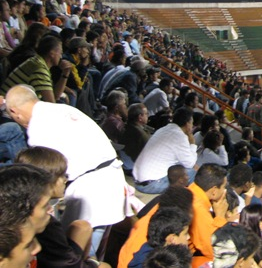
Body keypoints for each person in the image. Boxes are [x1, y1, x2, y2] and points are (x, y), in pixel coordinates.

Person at [5, 85, 128, 255]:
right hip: (108, 180)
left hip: (92, 190)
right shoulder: (62, 109)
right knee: (92, 249)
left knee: (79, 253)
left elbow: (46, 176)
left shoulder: (38, 127)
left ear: (14, 111)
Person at [14, 146, 110, 268]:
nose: (65, 179)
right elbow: (65, 261)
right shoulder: (45, 222)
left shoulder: (22, 207)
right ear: (47, 180)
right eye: (61, 175)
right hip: (59, 262)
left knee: (82, 227)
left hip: (59, 257)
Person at [133, 107, 198, 194]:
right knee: (192, 173)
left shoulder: (163, 129)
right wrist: (193, 144)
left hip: (137, 180)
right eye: (192, 123)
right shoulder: (180, 136)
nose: (192, 127)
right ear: (187, 124)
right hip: (151, 185)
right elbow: (190, 164)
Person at [187, 164, 229, 266]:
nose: (225, 191)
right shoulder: (198, 209)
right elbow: (213, 249)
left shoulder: (191, 190)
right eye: (224, 187)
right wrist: (220, 217)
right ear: (214, 191)